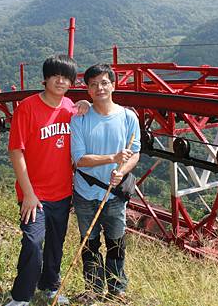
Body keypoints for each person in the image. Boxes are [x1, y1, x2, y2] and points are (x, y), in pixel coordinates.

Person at [6, 54, 88, 306]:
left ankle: (49, 285)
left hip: (62, 192)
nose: (61, 81)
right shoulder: (28, 107)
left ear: (72, 82)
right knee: (32, 241)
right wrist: (28, 194)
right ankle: (21, 296)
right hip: (34, 194)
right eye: (56, 75)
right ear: (45, 78)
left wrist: (86, 103)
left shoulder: (71, 109)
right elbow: (15, 151)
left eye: (67, 77)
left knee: (56, 242)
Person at [71, 63, 141, 302]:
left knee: (116, 243)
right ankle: (92, 290)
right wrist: (112, 158)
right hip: (85, 193)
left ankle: (116, 288)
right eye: (93, 84)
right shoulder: (80, 118)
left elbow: (136, 153)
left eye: (104, 82)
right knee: (89, 244)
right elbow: (78, 159)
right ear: (87, 90)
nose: (99, 88)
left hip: (113, 194)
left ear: (113, 84)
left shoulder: (129, 117)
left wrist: (122, 171)